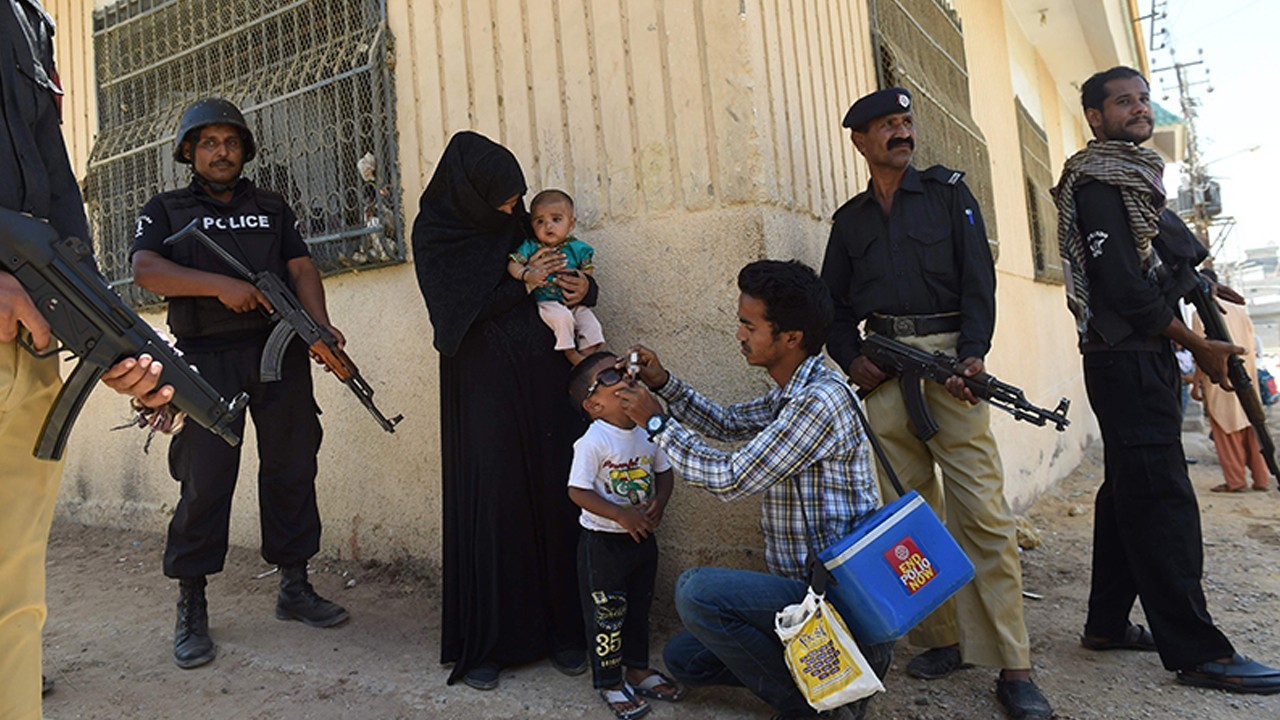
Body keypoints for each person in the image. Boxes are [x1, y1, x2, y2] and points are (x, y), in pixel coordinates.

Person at [818, 88, 1051, 719]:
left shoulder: (949, 195)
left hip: (950, 367)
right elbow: (831, 306)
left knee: (985, 516)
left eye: (904, 121)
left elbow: (980, 282)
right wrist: (852, 357)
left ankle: (1014, 663)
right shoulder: (851, 222)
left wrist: (973, 355)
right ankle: (941, 637)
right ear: (860, 142)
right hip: (886, 375)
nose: (900, 132)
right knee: (906, 520)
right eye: (885, 126)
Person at [1053, 65, 1280, 694]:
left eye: (1143, 99)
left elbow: (1161, 255)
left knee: (1129, 488)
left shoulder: (1136, 178)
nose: (1138, 108)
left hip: (1139, 354)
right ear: (1095, 117)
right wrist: (1195, 344)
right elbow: (1124, 286)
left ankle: (1104, 624)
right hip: (1127, 356)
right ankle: (1199, 652)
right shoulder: (1098, 182)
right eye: (1123, 102)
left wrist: (1202, 285)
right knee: (1162, 501)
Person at [614, 259, 892, 720]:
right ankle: (819, 677)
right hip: (805, 602)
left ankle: (824, 701)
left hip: (838, 607)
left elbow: (728, 478)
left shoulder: (818, 402)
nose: (739, 335)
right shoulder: (792, 393)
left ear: (790, 338)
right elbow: (727, 423)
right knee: (686, 658)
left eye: (749, 325)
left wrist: (655, 422)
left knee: (696, 592)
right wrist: (664, 385)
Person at [131, 98, 351, 671]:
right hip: (205, 358)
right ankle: (192, 601)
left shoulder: (272, 205)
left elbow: (301, 266)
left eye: (230, 142)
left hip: (279, 354)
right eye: (208, 142)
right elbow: (147, 270)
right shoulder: (167, 208)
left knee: (293, 465)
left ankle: (295, 585)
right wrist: (216, 286)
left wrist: (319, 327)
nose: (221, 151)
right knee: (205, 477)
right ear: (188, 151)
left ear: (244, 150)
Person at [2, 1, 176, 714]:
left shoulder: (28, 19)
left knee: (13, 606)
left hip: (28, 354)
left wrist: (102, 333)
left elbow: (55, 193)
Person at [412, 131, 594, 690]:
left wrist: (585, 287)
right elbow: (458, 314)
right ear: (470, 193)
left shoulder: (518, 224)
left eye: (519, 198)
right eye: (505, 199)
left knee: (554, 493)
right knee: (497, 501)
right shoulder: (437, 235)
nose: (516, 209)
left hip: (544, 384)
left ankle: (565, 631)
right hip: (483, 388)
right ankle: (489, 642)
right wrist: (523, 288)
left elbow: (558, 269)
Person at [566, 351, 681, 720]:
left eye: (623, 369)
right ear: (594, 404)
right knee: (607, 614)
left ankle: (637, 668)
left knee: (638, 608)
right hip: (603, 544)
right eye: (611, 377)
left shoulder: (649, 430)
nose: (626, 375)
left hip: (642, 540)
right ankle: (610, 681)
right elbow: (578, 491)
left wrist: (658, 505)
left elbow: (664, 472)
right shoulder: (593, 441)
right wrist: (619, 514)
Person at [1189, 270, 1269, 491]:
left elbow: (1202, 354)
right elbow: (1251, 347)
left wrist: (1196, 385)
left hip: (1220, 380)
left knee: (1226, 431)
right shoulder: (1240, 310)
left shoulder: (1201, 313)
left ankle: (1235, 481)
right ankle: (1261, 478)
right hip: (1247, 377)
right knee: (1252, 426)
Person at [507, 189, 605, 365]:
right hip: (547, 302)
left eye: (556, 219)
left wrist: (582, 284)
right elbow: (513, 264)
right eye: (540, 221)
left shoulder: (578, 248)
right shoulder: (530, 247)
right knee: (563, 319)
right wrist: (526, 275)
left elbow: (587, 270)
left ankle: (586, 356)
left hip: (571, 302)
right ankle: (570, 353)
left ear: (571, 223)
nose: (548, 226)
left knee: (591, 324)